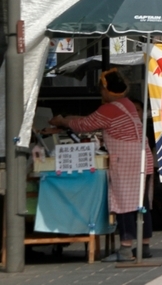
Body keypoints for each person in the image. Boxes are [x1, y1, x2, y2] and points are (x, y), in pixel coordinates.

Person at [50, 69, 155, 262]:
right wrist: (69, 118)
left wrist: (63, 121)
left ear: (106, 90)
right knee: (142, 204)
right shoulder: (127, 104)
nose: (100, 93)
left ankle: (125, 250)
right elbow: (91, 119)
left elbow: (84, 125)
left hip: (127, 161)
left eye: (101, 90)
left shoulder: (109, 109)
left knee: (125, 205)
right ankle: (145, 246)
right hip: (142, 157)